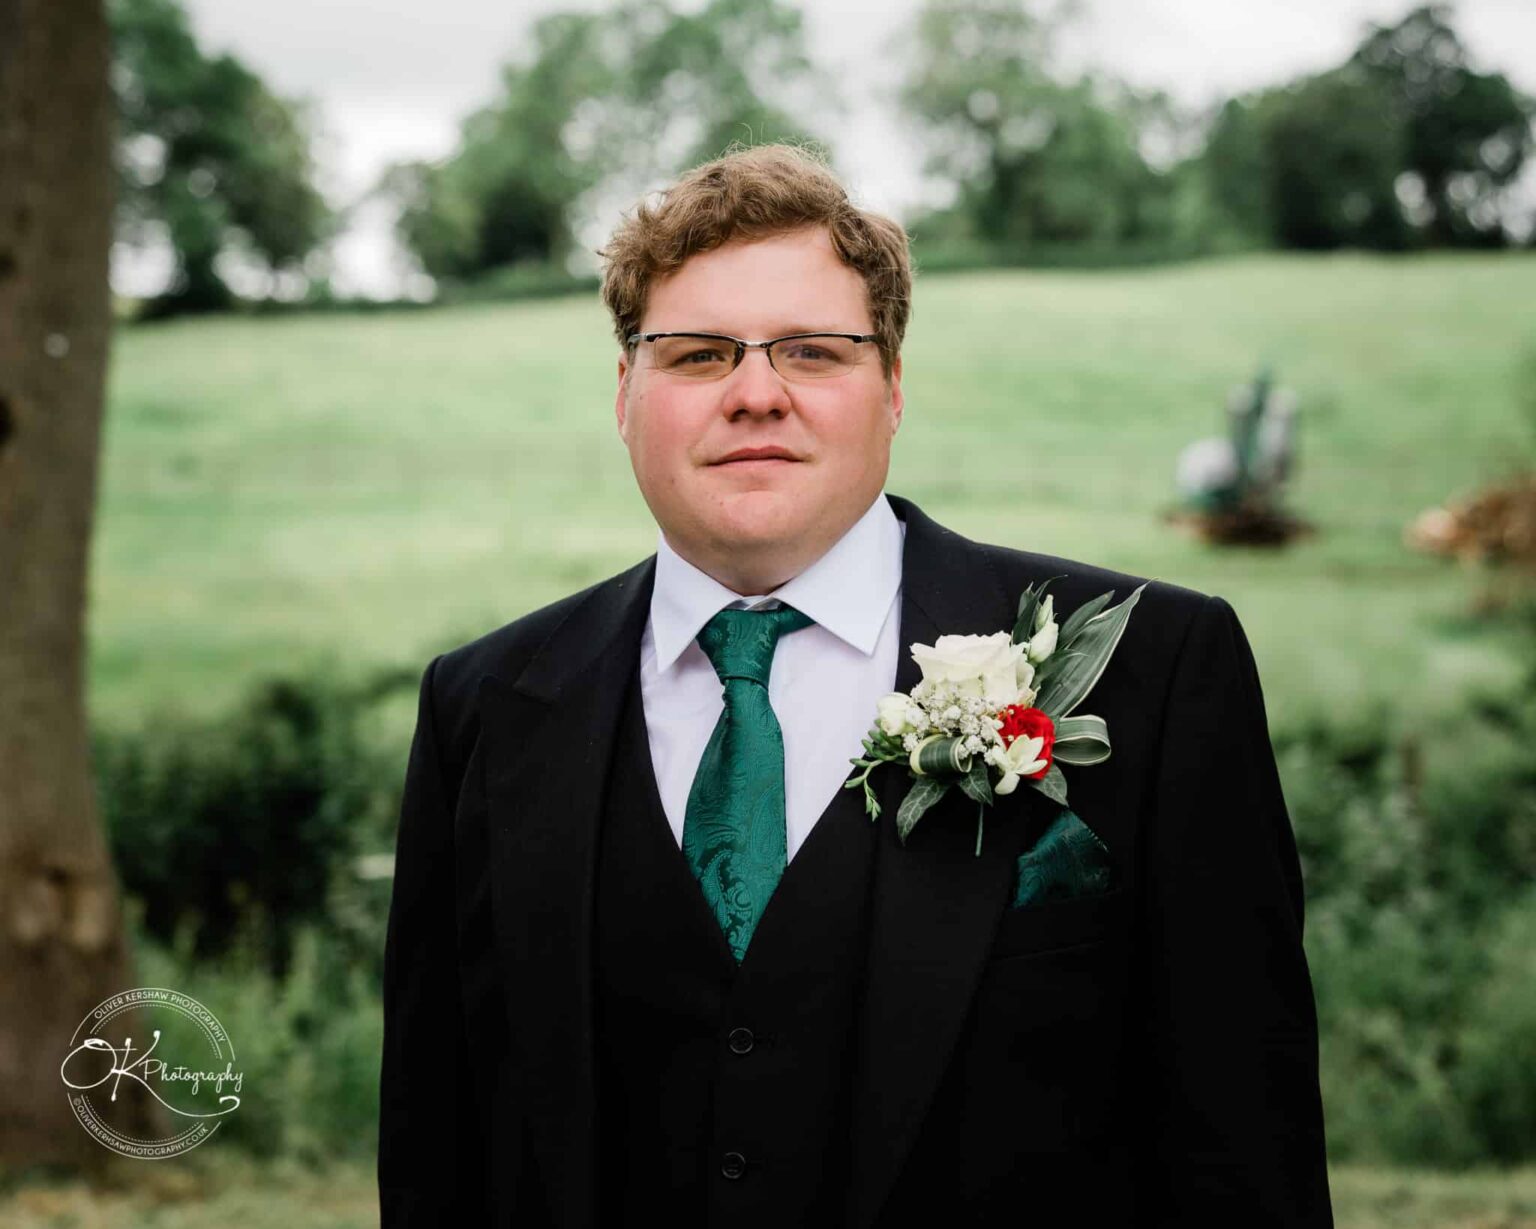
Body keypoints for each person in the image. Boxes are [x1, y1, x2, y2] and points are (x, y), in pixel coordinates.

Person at [377, 143, 1332, 1228]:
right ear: (624, 394)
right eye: (695, 355)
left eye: (813, 352)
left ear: (892, 388)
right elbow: (436, 1152)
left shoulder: (1156, 670)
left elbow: (1248, 1152)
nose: (754, 394)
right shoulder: (486, 707)